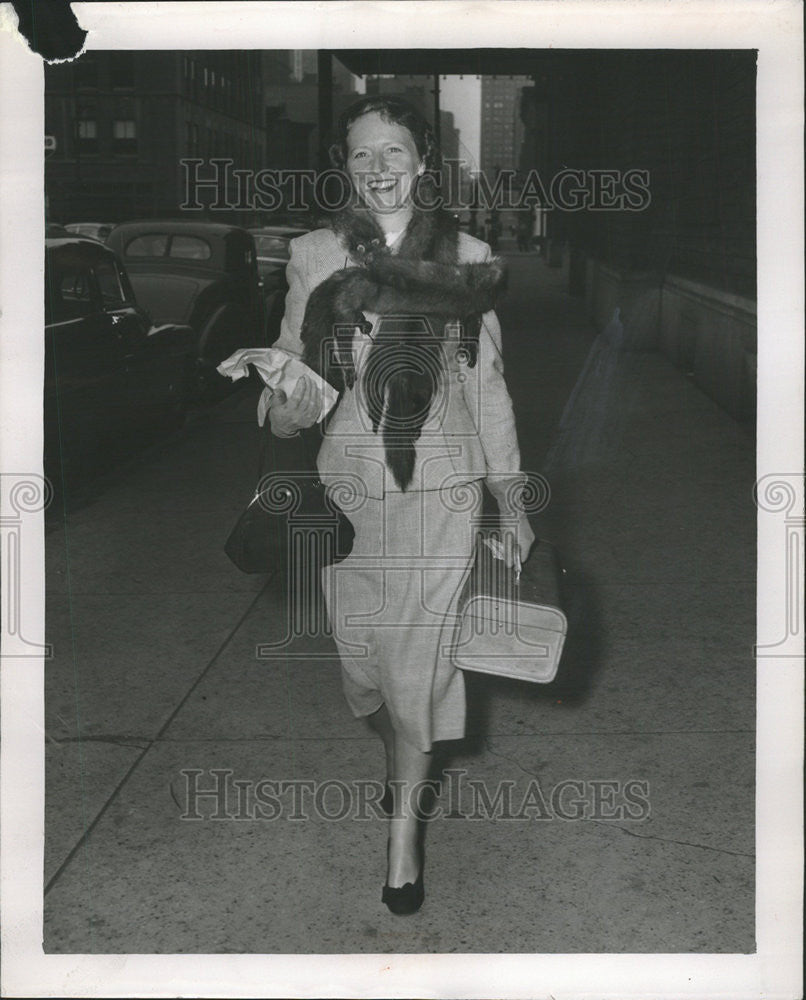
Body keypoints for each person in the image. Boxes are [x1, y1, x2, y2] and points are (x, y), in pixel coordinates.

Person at [268, 95, 533, 914]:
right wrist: (279, 394)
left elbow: (487, 388)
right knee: (365, 665)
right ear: (344, 168)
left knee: (420, 661)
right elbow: (296, 375)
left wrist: (512, 500)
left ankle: (402, 845)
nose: (378, 168)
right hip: (352, 485)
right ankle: (400, 764)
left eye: (393, 151)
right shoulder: (313, 255)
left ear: (423, 160)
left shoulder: (465, 253)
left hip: (444, 483)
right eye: (360, 155)